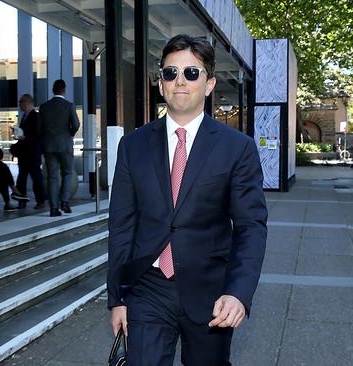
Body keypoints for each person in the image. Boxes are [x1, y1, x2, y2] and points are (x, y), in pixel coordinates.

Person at [107, 34, 267, 365]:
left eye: (191, 73)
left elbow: (251, 226)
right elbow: (121, 225)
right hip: (147, 288)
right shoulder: (132, 145)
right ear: (161, 83)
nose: (180, 81)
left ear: (209, 84)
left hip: (211, 293)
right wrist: (117, 297)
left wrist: (238, 293)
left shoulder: (237, 148)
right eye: (171, 73)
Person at [38, 79, 80, 217]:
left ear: (53, 90)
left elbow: (39, 128)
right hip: (65, 145)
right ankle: (64, 202)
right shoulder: (69, 106)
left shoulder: (44, 107)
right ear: (64, 90)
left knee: (52, 177)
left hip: (49, 146)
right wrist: (70, 134)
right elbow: (76, 124)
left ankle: (53, 208)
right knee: (67, 173)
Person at [12, 94, 45, 210]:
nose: (20, 104)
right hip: (24, 152)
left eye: (21, 102)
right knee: (22, 177)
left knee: (36, 177)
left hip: (33, 152)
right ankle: (22, 201)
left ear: (28, 103)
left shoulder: (35, 116)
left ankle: (40, 200)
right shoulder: (24, 117)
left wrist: (25, 137)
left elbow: (38, 135)